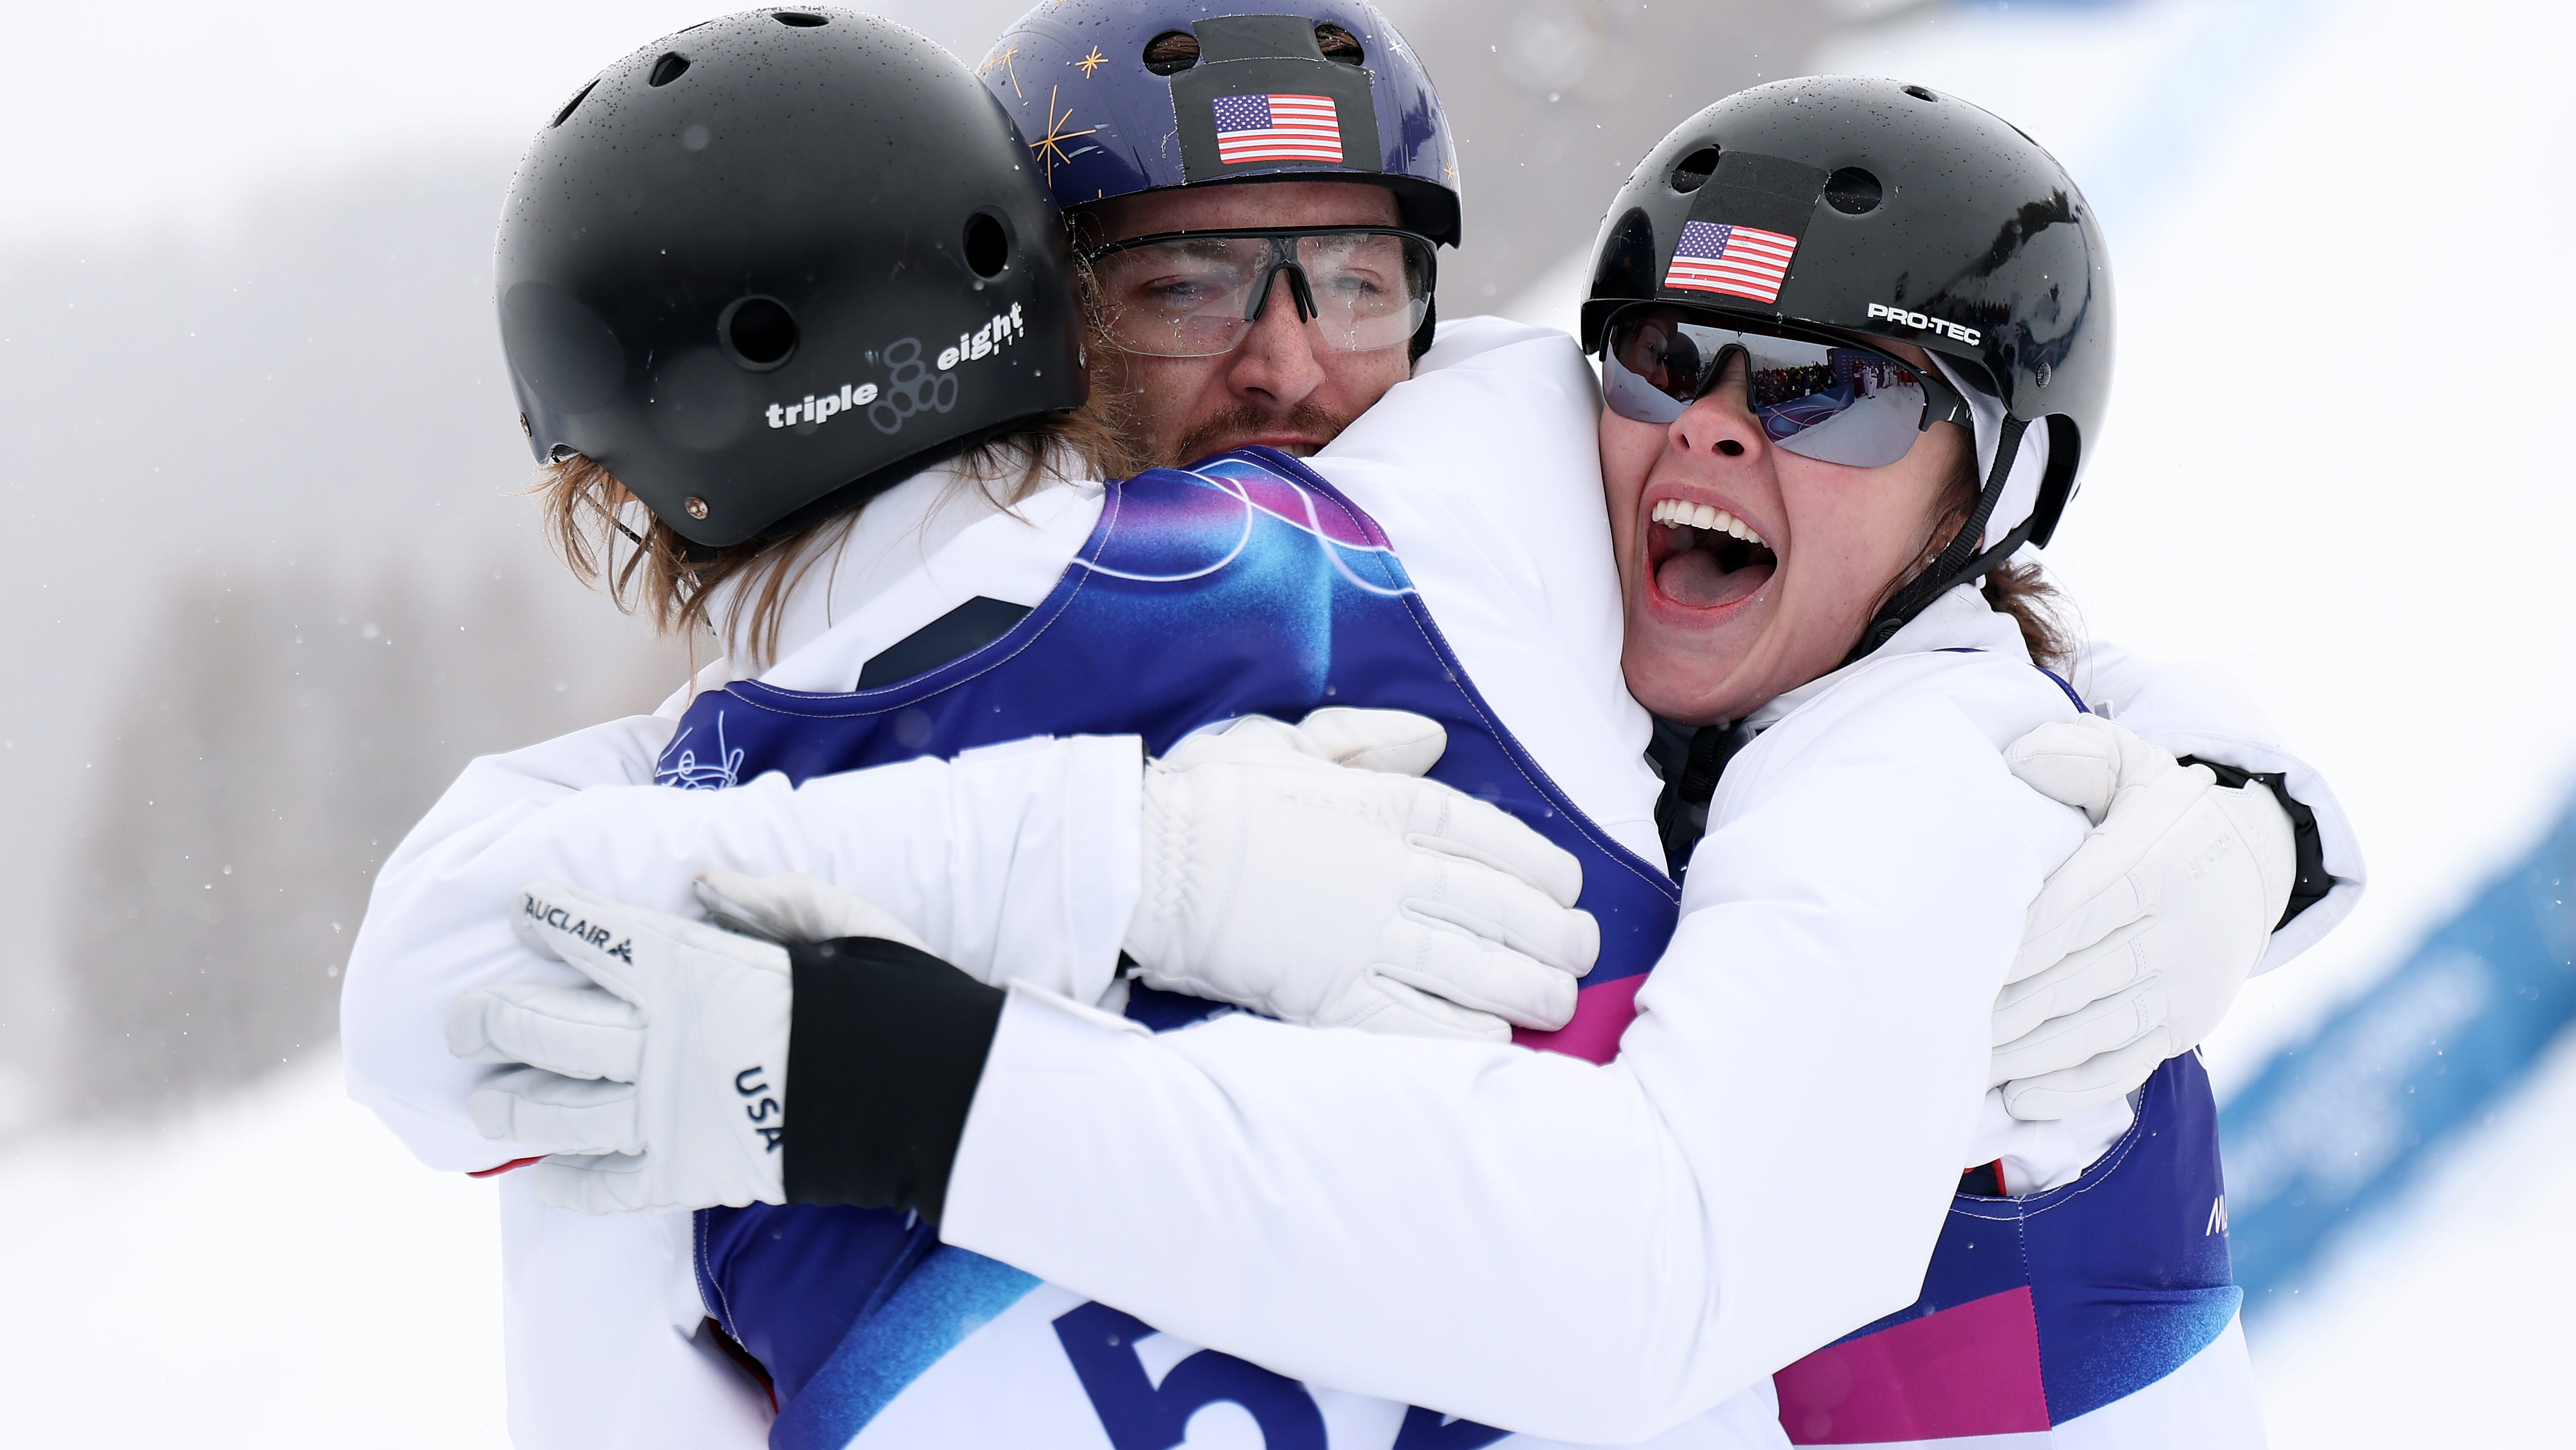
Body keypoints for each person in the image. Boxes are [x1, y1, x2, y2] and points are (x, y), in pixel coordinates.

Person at [344, 6, 2358, 1445]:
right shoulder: (847, 708)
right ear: (1038, 322)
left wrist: (2250, 801)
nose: (1295, 360)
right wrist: (1116, 855)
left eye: (1361, 277)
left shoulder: (1512, 486)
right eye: (1194, 286)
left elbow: (1954, 649)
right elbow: (454, 970)